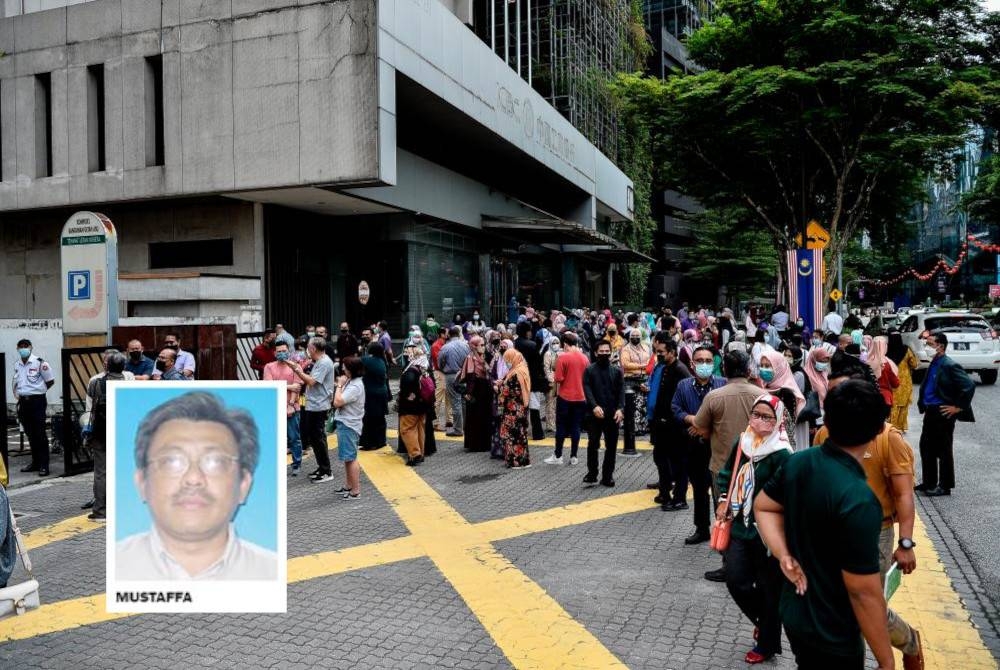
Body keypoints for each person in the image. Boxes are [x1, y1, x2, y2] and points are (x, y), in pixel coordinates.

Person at [753, 380, 894, 670]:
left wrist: (784, 555)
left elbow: (763, 506)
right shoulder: (860, 499)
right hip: (833, 632)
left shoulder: (798, 462)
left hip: (795, 614)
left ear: (826, 421)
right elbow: (863, 591)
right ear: (880, 429)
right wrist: (887, 660)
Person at [813, 360, 926, 669]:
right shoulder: (823, 435)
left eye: (845, 392)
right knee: (840, 605)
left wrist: (905, 543)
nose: (837, 402)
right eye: (832, 395)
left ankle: (909, 643)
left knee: (866, 605)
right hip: (832, 533)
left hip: (875, 533)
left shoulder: (888, 439)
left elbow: (904, 493)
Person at [116, 392, 278, 580]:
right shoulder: (117, 566)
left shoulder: (270, 571)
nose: (193, 478)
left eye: (216, 462)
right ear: (142, 482)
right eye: (171, 461)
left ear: (244, 485)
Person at [716, 394, 792, 665]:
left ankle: (767, 643)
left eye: (767, 417)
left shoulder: (782, 454)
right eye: (756, 414)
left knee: (771, 589)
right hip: (740, 526)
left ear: (778, 420)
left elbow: (787, 494)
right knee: (736, 580)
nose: (759, 421)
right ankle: (765, 621)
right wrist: (724, 499)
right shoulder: (743, 442)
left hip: (769, 533)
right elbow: (727, 473)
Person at [691, 350, 760, 581]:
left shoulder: (714, 397)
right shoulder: (761, 395)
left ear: (724, 370)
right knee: (754, 515)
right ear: (749, 370)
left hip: (723, 468)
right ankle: (754, 563)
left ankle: (730, 565)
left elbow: (700, 427)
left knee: (725, 515)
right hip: (756, 466)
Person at [672, 345, 726, 535]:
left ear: (714, 363)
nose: (704, 364)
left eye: (708, 361)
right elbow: (675, 409)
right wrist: (691, 419)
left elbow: (726, 416)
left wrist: (707, 428)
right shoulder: (683, 385)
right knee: (699, 489)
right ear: (692, 364)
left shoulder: (723, 384)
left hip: (717, 446)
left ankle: (722, 531)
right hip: (693, 446)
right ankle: (702, 529)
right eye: (700, 361)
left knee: (720, 491)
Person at [915, 332, 975, 497]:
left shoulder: (949, 364)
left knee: (943, 449)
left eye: (930, 343)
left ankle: (945, 485)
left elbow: (968, 385)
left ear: (940, 346)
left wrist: (958, 407)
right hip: (931, 411)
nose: (926, 346)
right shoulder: (934, 361)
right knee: (926, 447)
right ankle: (929, 482)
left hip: (942, 412)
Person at [83, 351, 128, 521]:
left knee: (101, 472)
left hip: (100, 433)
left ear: (107, 366)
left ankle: (100, 511)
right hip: (122, 433)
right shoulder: (128, 383)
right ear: (123, 367)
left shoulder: (96, 383)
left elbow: (90, 410)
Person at [647, 336, 691, 510]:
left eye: (662, 352)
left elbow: (685, 395)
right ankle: (665, 492)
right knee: (660, 457)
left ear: (672, 352)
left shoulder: (680, 370)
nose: (658, 355)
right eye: (657, 352)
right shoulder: (666, 367)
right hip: (662, 423)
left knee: (677, 462)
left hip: (674, 425)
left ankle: (679, 498)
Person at [289, 337, 336, 483]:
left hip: (319, 405)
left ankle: (326, 471)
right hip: (314, 404)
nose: (307, 350)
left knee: (318, 438)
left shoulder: (324, 362)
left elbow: (311, 381)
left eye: (308, 348)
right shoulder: (320, 361)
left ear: (314, 349)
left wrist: (297, 371)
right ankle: (321, 468)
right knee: (315, 438)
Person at [582, 341, 624, 487]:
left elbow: (621, 392)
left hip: (612, 413)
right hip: (594, 414)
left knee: (611, 446)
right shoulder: (589, 370)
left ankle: (608, 476)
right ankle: (592, 473)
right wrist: (594, 406)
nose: (605, 353)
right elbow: (587, 390)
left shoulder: (617, 371)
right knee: (593, 443)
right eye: (602, 351)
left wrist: (620, 409)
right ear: (595, 353)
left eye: (608, 351)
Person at [544, 332, 590, 466]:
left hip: (565, 397)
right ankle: (574, 456)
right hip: (580, 397)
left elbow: (558, 378)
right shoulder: (584, 358)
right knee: (576, 426)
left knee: (561, 426)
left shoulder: (563, 358)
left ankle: (558, 455)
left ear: (564, 344)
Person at [12, 338, 55, 477]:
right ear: (17, 348)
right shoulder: (17, 364)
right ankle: (35, 462)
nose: (23, 348)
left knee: (40, 434)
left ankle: (44, 465)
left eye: (26, 346)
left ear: (31, 347)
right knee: (30, 434)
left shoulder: (40, 363)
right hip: (24, 402)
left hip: (37, 401)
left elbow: (50, 381)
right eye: (21, 346)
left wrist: (37, 391)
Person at [263, 340, 303, 476]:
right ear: (274, 353)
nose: (281, 353)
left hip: (293, 407)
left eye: (284, 351)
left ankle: (296, 464)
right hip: (274, 407)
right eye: (279, 351)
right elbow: (269, 386)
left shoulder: (295, 366)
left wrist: (291, 405)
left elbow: (297, 387)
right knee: (275, 438)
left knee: (294, 438)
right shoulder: (269, 367)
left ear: (288, 351)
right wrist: (288, 386)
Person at [331, 357, 365, 500]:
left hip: (349, 424)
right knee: (347, 457)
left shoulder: (355, 386)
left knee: (351, 458)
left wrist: (339, 385)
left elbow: (337, 402)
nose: (342, 369)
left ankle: (355, 491)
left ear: (351, 369)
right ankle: (348, 485)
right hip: (346, 422)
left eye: (345, 367)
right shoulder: (352, 382)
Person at [457, 335, 493, 452]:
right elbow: (471, 377)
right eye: (481, 345)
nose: (484, 347)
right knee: (476, 417)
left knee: (485, 416)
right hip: (476, 391)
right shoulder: (470, 358)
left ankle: (485, 443)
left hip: (485, 390)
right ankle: (476, 444)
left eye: (484, 345)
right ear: (474, 346)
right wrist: (469, 393)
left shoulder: (484, 356)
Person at [498, 349, 531, 469]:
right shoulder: (523, 368)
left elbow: (506, 392)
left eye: (507, 360)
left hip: (512, 410)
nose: (507, 363)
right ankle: (524, 461)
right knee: (521, 435)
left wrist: (499, 388)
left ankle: (514, 462)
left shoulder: (514, 374)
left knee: (511, 436)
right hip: (522, 408)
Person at [514, 322, 547, 441]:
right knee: (534, 407)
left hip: (517, 380)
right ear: (527, 331)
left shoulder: (514, 344)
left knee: (520, 408)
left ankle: (519, 432)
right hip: (532, 381)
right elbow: (539, 365)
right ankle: (537, 433)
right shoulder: (533, 345)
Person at [398, 342, 429, 466]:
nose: (406, 355)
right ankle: (420, 453)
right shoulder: (424, 367)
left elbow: (408, 382)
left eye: (408, 353)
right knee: (420, 429)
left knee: (407, 429)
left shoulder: (411, 369)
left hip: (410, 406)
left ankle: (415, 454)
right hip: (422, 405)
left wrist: (407, 394)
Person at [439, 326, 471, 437]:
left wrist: (444, 369)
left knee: (456, 402)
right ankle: (466, 426)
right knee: (463, 401)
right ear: (458, 334)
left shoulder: (445, 347)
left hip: (451, 375)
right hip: (464, 374)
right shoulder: (466, 346)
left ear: (449, 335)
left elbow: (440, 363)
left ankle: (458, 429)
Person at [620, 328, 652, 435]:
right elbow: (625, 364)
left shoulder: (646, 348)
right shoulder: (626, 349)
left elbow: (650, 361)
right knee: (634, 404)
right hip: (631, 380)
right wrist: (642, 366)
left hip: (644, 379)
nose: (635, 338)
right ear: (629, 338)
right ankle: (634, 428)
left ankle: (643, 427)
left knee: (643, 403)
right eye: (633, 336)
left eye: (637, 336)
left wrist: (643, 368)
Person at [358, 343, 389, 451]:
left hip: (370, 394)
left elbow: (355, 363)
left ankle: (369, 443)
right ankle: (381, 441)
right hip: (382, 393)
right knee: (380, 418)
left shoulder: (367, 360)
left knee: (368, 419)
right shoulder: (382, 361)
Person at [886, 331, 919, 432]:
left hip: (891, 382)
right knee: (903, 405)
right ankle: (901, 426)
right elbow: (914, 364)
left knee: (893, 406)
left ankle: (891, 427)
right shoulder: (906, 350)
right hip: (904, 382)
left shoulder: (886, 350)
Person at [867, 335, 899, 410]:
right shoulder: (888, 363)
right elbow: (895, 383)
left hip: (868, 396)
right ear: (885, 347)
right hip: (885, 398)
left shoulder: (866, 361)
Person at [430, 329, 451, 430]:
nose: (448, 334)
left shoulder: (445, 344)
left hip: (446, 373)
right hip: (440, 373)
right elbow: (439, 362)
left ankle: (449, 420)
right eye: (447, 333)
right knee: (438, 398)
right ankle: (435, 422)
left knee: (448, 398)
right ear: (442, 334)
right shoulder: (435, 346)